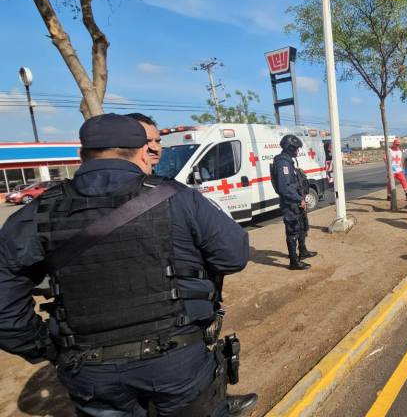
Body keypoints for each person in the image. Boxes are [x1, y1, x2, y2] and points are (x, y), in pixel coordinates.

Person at [0, 114, 256, 416]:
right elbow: (234, 255)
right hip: (176, 361)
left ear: (81, 155)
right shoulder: (177, 197)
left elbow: (5, 309)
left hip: (90, 368)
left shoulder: (37, 214)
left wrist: (48, 346)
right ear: (139, 151)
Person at [273, 135, 317, 271]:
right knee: (292, 231)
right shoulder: (283, 163)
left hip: (296, 202)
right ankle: (294, 261)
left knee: (302, 227)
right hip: (290, 204)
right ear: (290, 148)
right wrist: (299, 199)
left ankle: (302, 251)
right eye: (296, 148)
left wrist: (301, 198)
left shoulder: (289, 162)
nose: (297, 151)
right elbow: (284, 188)